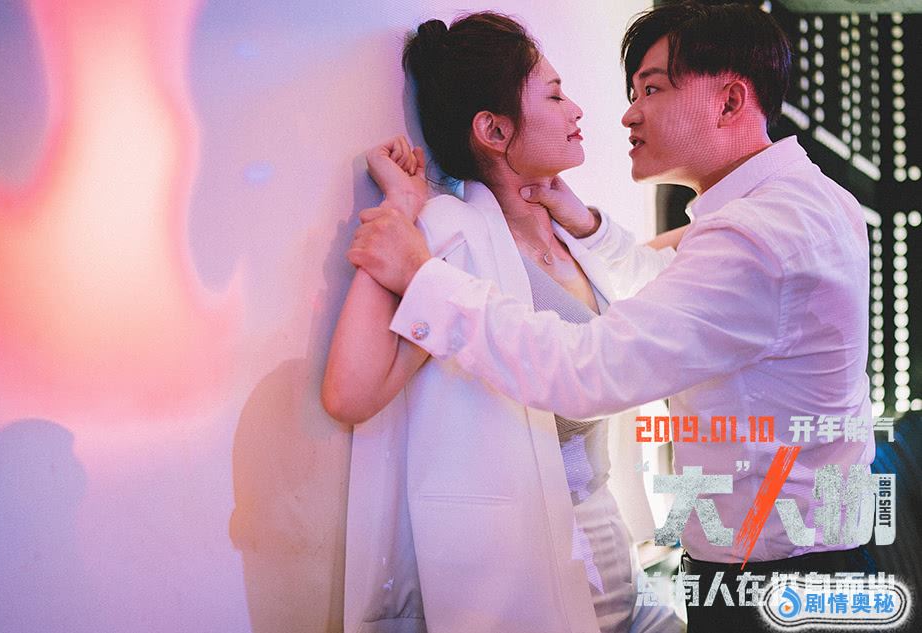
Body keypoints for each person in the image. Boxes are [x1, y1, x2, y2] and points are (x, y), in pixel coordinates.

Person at [348, 4, 876, 632]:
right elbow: (682, 301)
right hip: (787, 558)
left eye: (652, 90)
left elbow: (589, 369)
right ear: (492, 129)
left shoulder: (756, 236)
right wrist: (589, 228)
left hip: (774, 577)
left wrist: (423, 280)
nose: (625, 114)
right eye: (557, 94)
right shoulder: (806, 199)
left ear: (731, 101)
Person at [323, 12, 683, 633]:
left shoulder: (573, 235)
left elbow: (662, 290)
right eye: (554, 95)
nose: (577, 110)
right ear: (493, 130)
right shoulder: (450, 237)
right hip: (525, 577)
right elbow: (351, 393)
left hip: (616, 555)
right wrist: (403, 207)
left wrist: (589, 225)